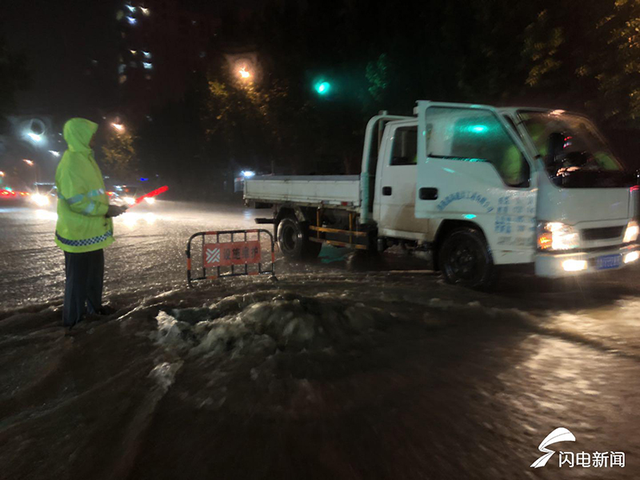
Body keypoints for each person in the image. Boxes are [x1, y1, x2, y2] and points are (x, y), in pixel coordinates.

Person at [54, 118, 126, 328]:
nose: (95, 137)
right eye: (91, 133)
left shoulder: (86, 158)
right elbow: (76, 202)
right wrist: (105, 210)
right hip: (78, 232)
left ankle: (95, 309)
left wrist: (109, 209)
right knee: (77, 282)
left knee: (94, 276)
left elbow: (91, 195)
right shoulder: (72, 163)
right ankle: (73, 321)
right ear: (80, 135)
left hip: (91, 231)